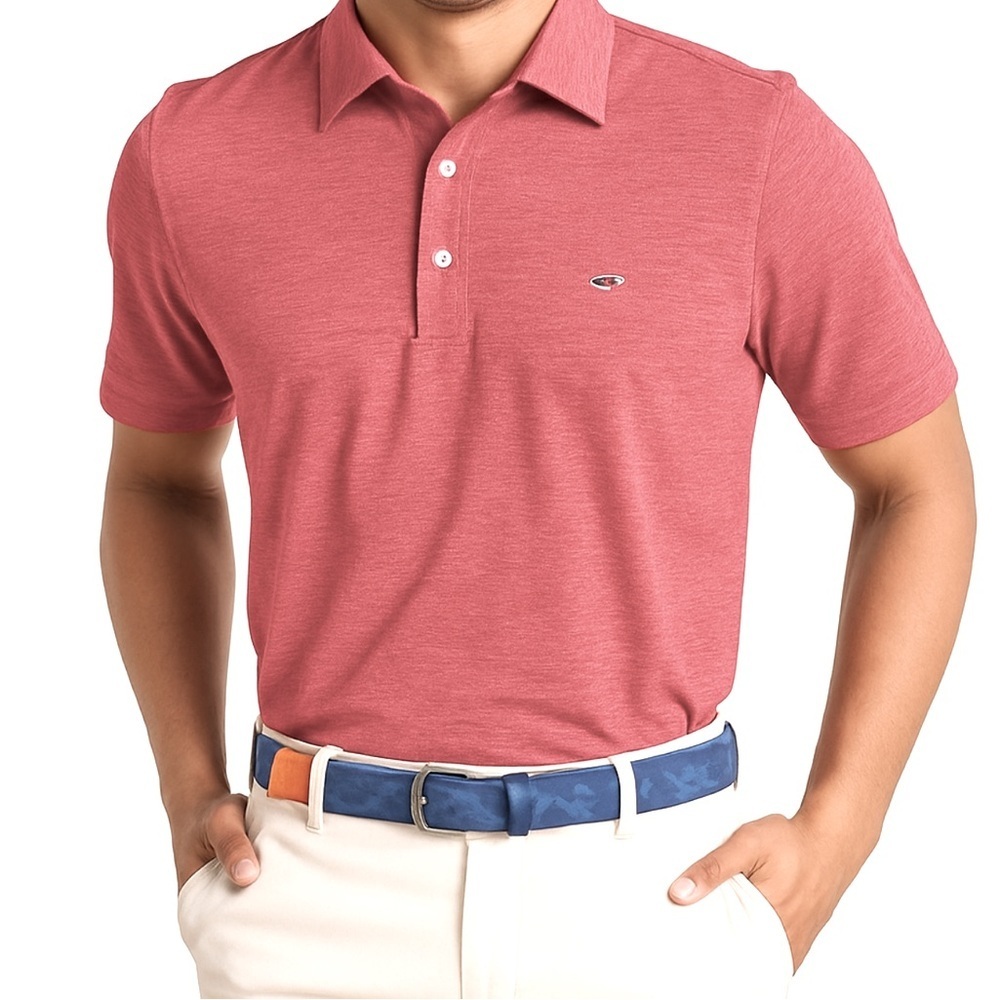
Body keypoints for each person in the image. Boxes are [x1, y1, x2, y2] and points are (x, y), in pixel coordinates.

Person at [97, 0, 975, 997]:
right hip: (306, 887)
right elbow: (158, 480)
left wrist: (843, 829)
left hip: (651, 895)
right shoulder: (190, 152)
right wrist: (184, 784)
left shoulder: (756, 140)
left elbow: (917, 485)